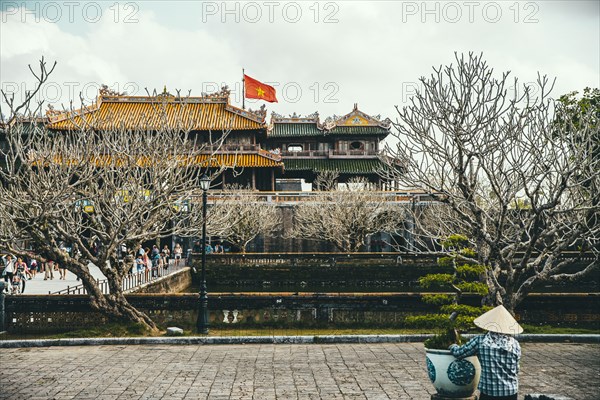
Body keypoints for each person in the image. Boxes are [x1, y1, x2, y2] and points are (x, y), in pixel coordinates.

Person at [449, 305, 523, 400]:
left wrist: (452, 345)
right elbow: (516, 369)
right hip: (511, 391)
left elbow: (459, 353)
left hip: (489, 392)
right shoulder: (515, 344)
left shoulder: (481, 341)